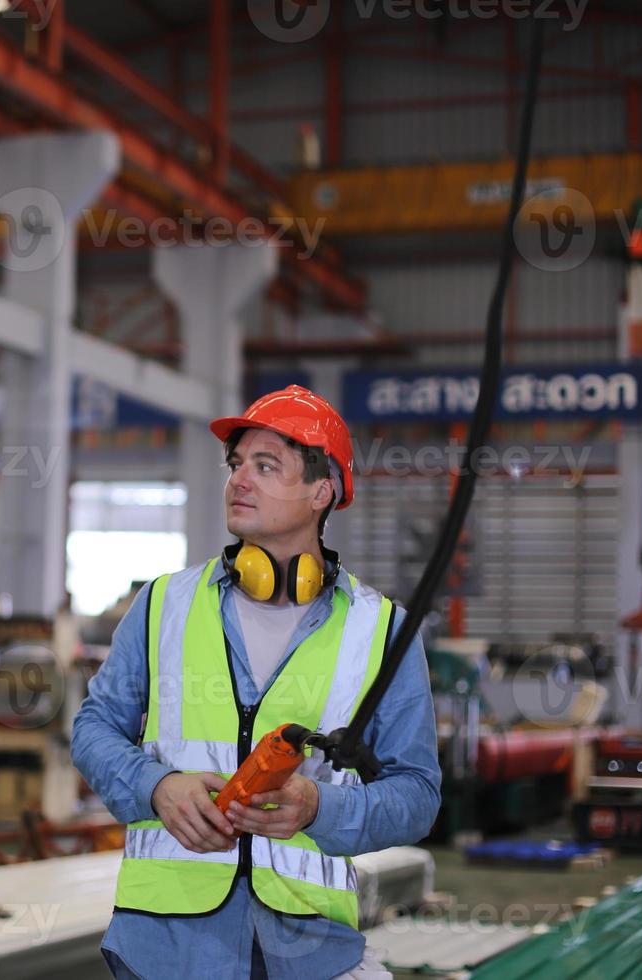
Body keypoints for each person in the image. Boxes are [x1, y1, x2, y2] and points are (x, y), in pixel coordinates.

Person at [72, 385, 441, 980]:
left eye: (266, 466)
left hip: (308, 946)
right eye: (237, 464)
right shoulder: (163, 604)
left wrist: (321, 806)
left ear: (322, 492)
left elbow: (417, 794)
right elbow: (93, 728)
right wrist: (157, 785)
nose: (239, 480)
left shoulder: (382, 630)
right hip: (164, 944)